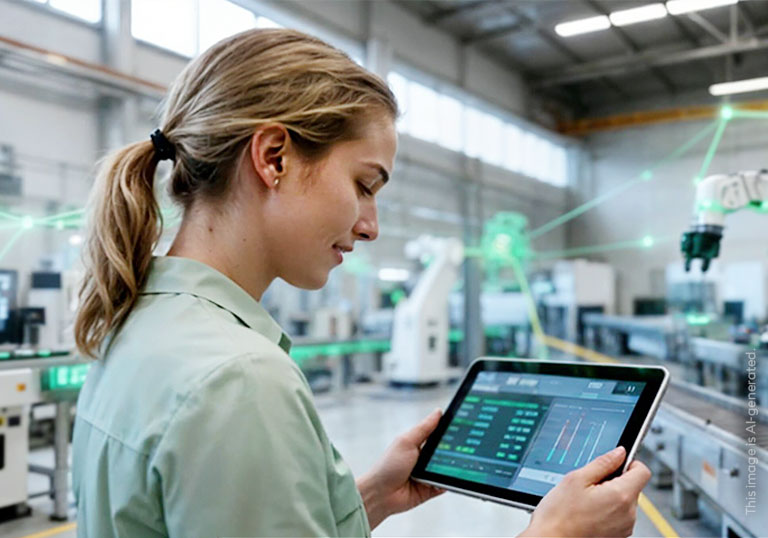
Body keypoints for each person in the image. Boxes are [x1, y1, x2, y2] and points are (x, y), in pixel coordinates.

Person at [71, 28, 651, 538]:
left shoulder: (133, 325)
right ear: (274, 157)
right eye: (365, 185)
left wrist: (367, 498)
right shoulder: (239, 380)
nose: (370, 226)